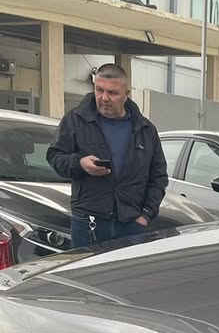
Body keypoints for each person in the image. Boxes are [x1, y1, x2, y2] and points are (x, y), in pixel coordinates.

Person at [46, 63, 168, 248]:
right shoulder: (76, 120)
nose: (104, 98)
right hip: (88, 222)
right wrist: (80, 163)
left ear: (126, 94)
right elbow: (55, 156)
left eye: (112, 93)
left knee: (128, 268)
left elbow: (158, 176)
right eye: (99, 90)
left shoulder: (145, 129)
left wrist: (146, 215)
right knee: (86, 268)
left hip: (132, 224)